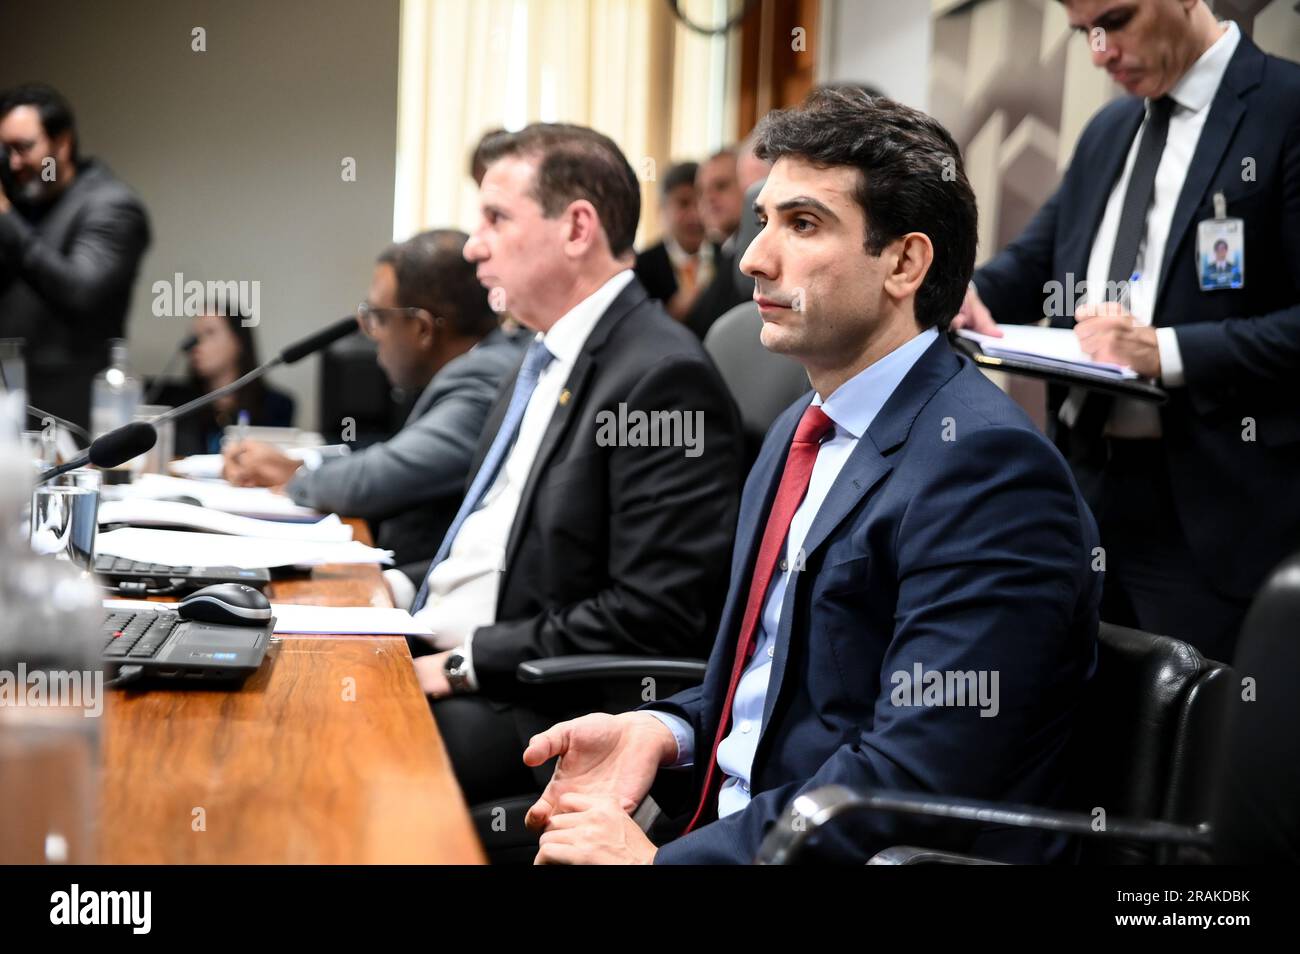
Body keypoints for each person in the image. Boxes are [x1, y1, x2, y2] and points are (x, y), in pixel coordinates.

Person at [521, 89, 1101, 865]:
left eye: (803, 224)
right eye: (763, 220)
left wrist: (661, 866)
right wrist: (665, 730)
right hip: (726, 828)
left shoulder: (987, 470)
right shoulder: (799, 431)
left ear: (904, 262)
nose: (755, 258)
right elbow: (779, 686)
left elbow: (908, 782)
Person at [407, 122, 744, 810]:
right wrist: (386, 592)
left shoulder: (660, 376)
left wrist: (465, 663)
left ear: (577, 228)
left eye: (497, 217)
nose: (474, 244)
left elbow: (651, 618)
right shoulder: (538, 360)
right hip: (464, 656)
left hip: (549, 707)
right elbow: (496, 551)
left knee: (334, 755)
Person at [951, 0, 1300, 662]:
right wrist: (964, 297)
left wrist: (1162, 351)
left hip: (1215, 510)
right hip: (1083, 493)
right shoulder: (1110, 129)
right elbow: (1032, 263)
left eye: (1118, 19)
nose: (1100, 52)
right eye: (1085, 32)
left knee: (1196, 748)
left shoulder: (1285, 109)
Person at [222, 230, 524, 583]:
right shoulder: (476, 365)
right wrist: (303, 463)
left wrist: (294, 475)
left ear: (423, 329)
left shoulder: (486, 374)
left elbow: (382, 476)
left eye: (378, 317)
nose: (371, 333)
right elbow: (388, 452)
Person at [0, 83, 150, 428]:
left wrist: (6, 219)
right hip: (12, 407)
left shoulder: (111, 204)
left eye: (23, 148)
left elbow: (81, 292)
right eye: (5, 151)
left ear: (63, 144)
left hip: (72, 417)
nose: (14, 163)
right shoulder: (24, 205)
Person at [157, 308, 294, 457]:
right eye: (193, 336)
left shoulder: (277, 405)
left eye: (209, 332)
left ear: (238, 341)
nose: (196, 344)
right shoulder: (178, 404)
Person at [683, 149, 751, 339]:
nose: (709, 198)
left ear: (749, 187)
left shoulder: (752, 259)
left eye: (721, 186)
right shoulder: (719, 253)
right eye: (701, 191)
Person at [633, 161, 707, 321]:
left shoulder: (729, 258)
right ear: (661, 208)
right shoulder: (640, 267)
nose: (695, 215)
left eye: (700, 202)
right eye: (683, 203)